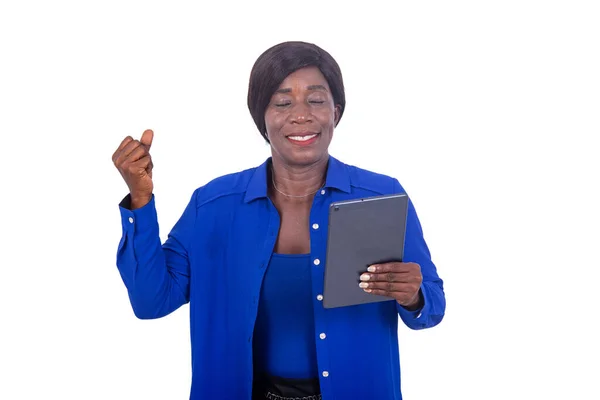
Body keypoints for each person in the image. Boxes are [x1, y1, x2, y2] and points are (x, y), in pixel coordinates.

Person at [112, 41, 445, 400]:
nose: (301, 115)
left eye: (316, 100)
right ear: (263, 119)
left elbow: (432, 307)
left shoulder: (381, 197)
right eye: (283, 102)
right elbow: (151, 301)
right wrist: (140, 200)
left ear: (336, 111)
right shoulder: (212, 206)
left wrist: (412, 295)